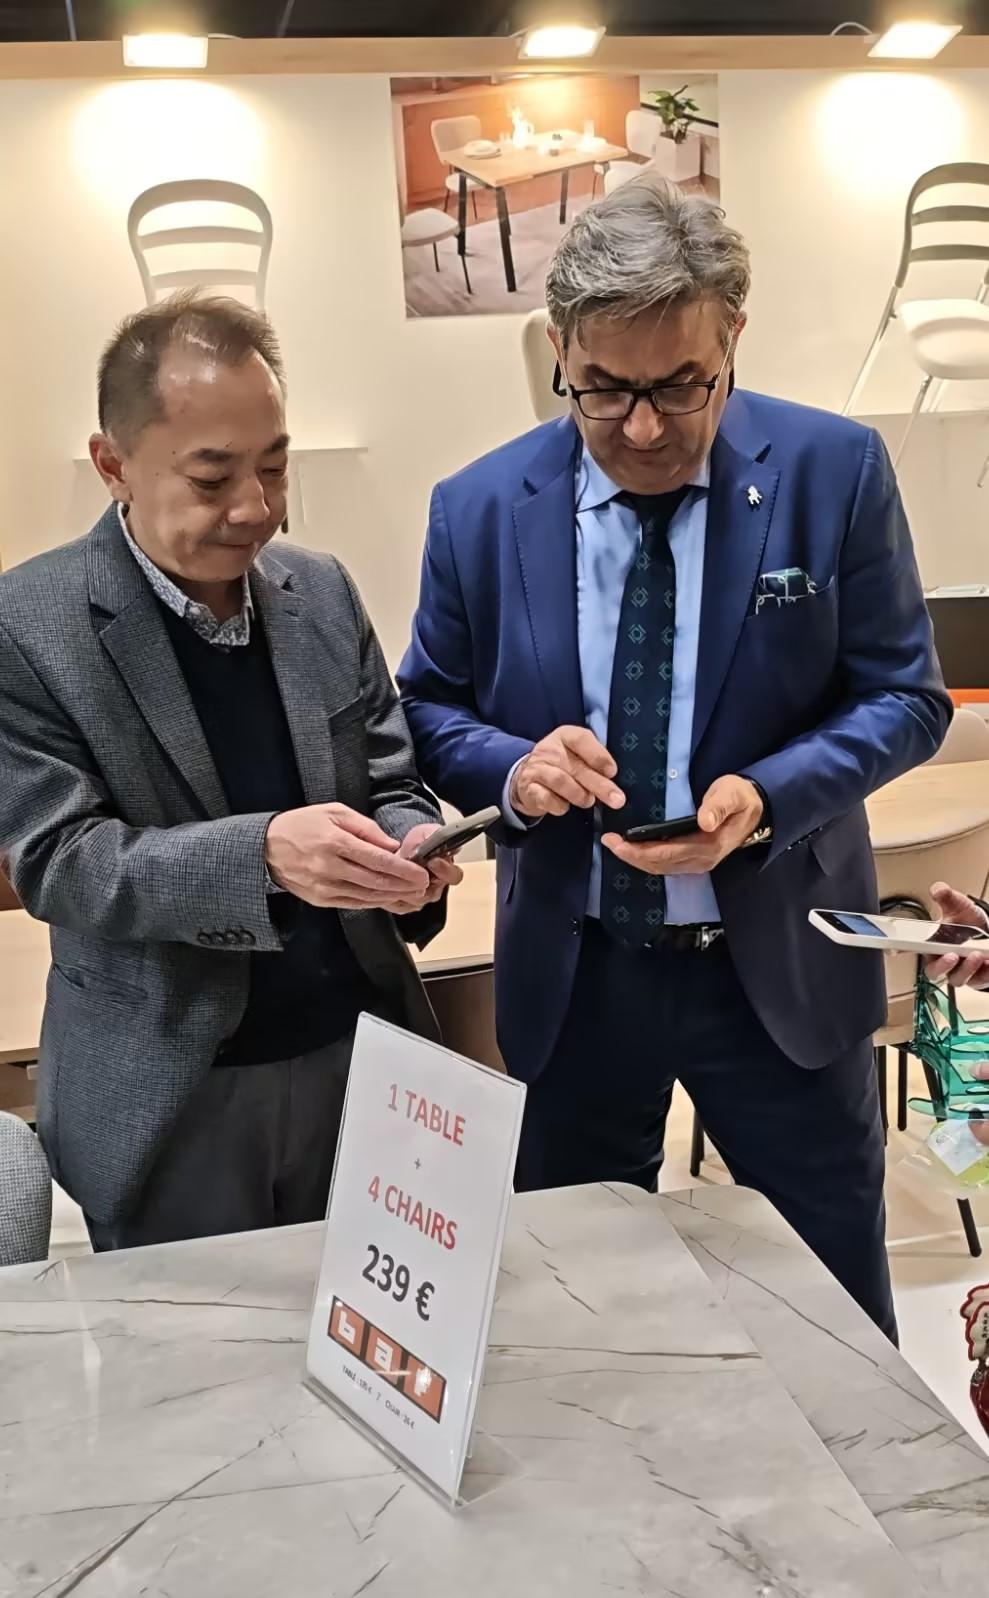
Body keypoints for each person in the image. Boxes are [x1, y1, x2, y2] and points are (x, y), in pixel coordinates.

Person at [398, 179, 951, 1340]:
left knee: (836, 1318)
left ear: (731, 334)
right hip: (578, 971)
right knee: (577, 1317)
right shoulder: (480, 506)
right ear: (559, 349)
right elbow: (427, 710)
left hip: (776, 971)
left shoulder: (833, 470)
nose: (642, 428)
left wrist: (769, 795)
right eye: (603, 388)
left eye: (679, 385)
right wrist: (513, 768)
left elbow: (905, 697)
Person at [0, 293, 460, 1251]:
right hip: (171, 1088)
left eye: (275, 466)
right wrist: (263, 855)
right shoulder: (29, 625)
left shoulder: (319, 590)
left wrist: (410, 843)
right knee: (193, 1342)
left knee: (369, 1328)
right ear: (113, 464)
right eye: (212, 478)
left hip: (360, 1059)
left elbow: (388, 775)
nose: (255, 507)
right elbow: (62, 861)